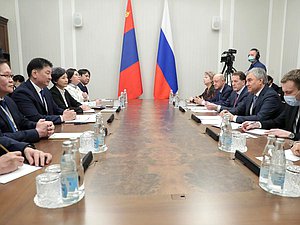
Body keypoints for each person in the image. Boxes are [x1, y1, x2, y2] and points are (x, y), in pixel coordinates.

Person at [0, 59, 54, 143]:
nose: (11, 80)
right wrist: (36, 133)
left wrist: (38, 125)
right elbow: (2, 137)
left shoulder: (8, 100)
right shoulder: (21, 92)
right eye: (6, 76)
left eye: (11, 76)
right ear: (34, 73)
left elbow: (22, 122)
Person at [11, 58, 76, 124]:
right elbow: (34, 118)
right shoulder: (22, 92)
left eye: (50, 74)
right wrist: (62, 118)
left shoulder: (45, 90)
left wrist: (65, 112)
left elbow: (55, 109)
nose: (50, 77)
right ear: (34, 73)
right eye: (47, 73)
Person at [242, 69, 300, 140]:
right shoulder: (292, 105)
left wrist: (291, 135)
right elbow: (277, 122)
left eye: (289, 92)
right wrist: (258, 124)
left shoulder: (270, 95)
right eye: (284, 92)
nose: (285, 96)